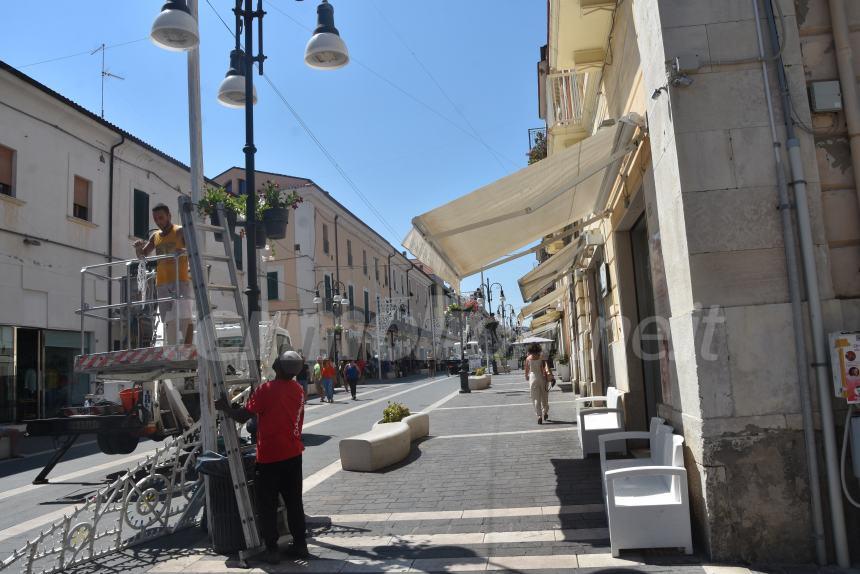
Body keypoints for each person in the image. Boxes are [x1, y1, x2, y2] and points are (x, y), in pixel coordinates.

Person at [214, 351, 309, 564]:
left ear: (279, 367)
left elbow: (243, 416)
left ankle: (272, 549)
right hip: (293, 454)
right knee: (294, 502)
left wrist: (225, 408)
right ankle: (301, 545)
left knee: (267, 504)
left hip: (270, 457)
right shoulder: (299, 390)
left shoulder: (266, 390)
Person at [133, 203, 193, 345]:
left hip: (181, 280)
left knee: (185, 318)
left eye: (161, 218)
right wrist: (138, 248)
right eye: (155, 219)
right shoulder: (155, 237)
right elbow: (142, 256)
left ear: (169, 216)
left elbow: (193, 250)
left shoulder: (180, 231)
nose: (158, 221)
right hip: (162, 283)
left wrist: (183, 251)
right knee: (168, 320)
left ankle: (189, 349)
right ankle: (172, 350)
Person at [524, 343, 554, 424]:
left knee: (535, 397)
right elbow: (545, 368)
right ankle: (545, 412)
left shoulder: (528, 358)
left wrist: (526, 376)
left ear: (530, 350)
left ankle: (539, 415)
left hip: (533, 378)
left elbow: (526, 370)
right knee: (544, 396)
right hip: (542, 378)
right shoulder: (541, 357)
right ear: (538, 349)